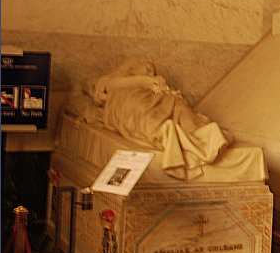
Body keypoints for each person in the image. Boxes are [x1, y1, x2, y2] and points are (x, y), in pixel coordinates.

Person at [83, 56, 232, 181]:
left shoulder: (151, 84)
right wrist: (143, 80)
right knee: (142, 111)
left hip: (153, 101)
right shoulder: (113, 81)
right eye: (147, 68)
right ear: (132, 66)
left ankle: (200, 137)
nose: (151, 72)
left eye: (153, 71)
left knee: (179, 107)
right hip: (129, 104)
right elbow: (101, 88)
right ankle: (163, 133)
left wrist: (169, 94)